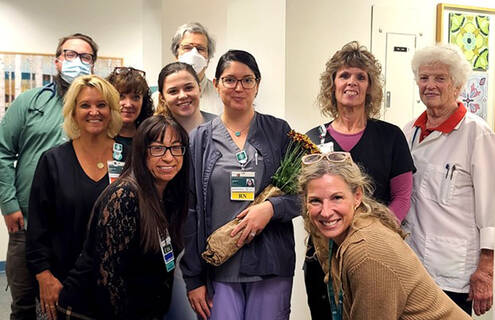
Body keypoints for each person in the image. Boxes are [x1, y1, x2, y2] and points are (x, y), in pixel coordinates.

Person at [182, 50, 299, 320]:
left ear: (257, 85)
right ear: (216, 84)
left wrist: (272, 208)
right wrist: (194, 278)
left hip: (270, 263)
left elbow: (305, 194)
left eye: (247, 80)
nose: (239, 87)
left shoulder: (278, 132)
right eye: (230, 80)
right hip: (219, 267)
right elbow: (190, 211)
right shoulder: (199, 139)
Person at [304, 41, 415, 318]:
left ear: (370, 87)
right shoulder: (312, 140)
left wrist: (374, 236)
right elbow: (306, 198)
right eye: (344, 75)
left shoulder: (391, 137)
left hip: (375, 253)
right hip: (324, 256)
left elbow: (402, 196)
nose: (351, 82)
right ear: (332, 85)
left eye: (360, 77)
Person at [298, 152, 471, 319]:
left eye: (337, 197)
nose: (326, 212)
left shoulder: (366, 251)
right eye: (315, 201)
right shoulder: (346, 234)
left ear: (357, 196)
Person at [0, 32, 98, 319]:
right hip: (27, 222)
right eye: (70, 55)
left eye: (85, 57)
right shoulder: (30, 102)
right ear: (57, 61)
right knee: (25, 303)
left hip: (79, 225)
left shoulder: (97, 108)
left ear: (93, 64)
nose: (77, 62)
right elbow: (3, 151)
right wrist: (8, 203)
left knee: (70, 303)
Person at [57, 115, 190, 319]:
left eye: (176, 147)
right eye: (158, 148)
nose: (169, 157)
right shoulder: (124, 195)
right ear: (141, 152)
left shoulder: (170, 195)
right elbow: (109, 279)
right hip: (91, 311)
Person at [403, 43, 494, 316]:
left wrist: (486, 269)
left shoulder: (476, 134)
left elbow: (491, 209)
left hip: (455, 272)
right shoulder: (409, 130)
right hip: (413, 265)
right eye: (424, 77)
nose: (430, 85)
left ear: (457, 85)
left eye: (440, 78)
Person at [26, 75, 122, 320]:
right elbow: (37, 228)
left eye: (101, 105)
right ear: (73, 112)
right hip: (62, 284)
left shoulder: (128, 158)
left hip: (116, 288)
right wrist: (44, 276)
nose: (94, 112)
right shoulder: (53, 161)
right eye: (85, 105)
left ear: (111, 110)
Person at [169, 22, 223, 114]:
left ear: (208, 58)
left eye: (200, 49)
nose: (194, 54)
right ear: (176, 55)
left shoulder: (222, 98)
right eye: (187, 48)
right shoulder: (158, 99)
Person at [107, 66, 153, 158]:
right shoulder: (99, 137)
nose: (128, 104)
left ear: (143, 102)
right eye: (121, 96)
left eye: (135, 97)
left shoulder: (150, 138)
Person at [156, 62, 216, 133]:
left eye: (188, 88)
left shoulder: (221, 127)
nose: (183, 96)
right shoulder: (156, 134)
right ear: (162, 97)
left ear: (199, 88)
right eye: (173, 91)